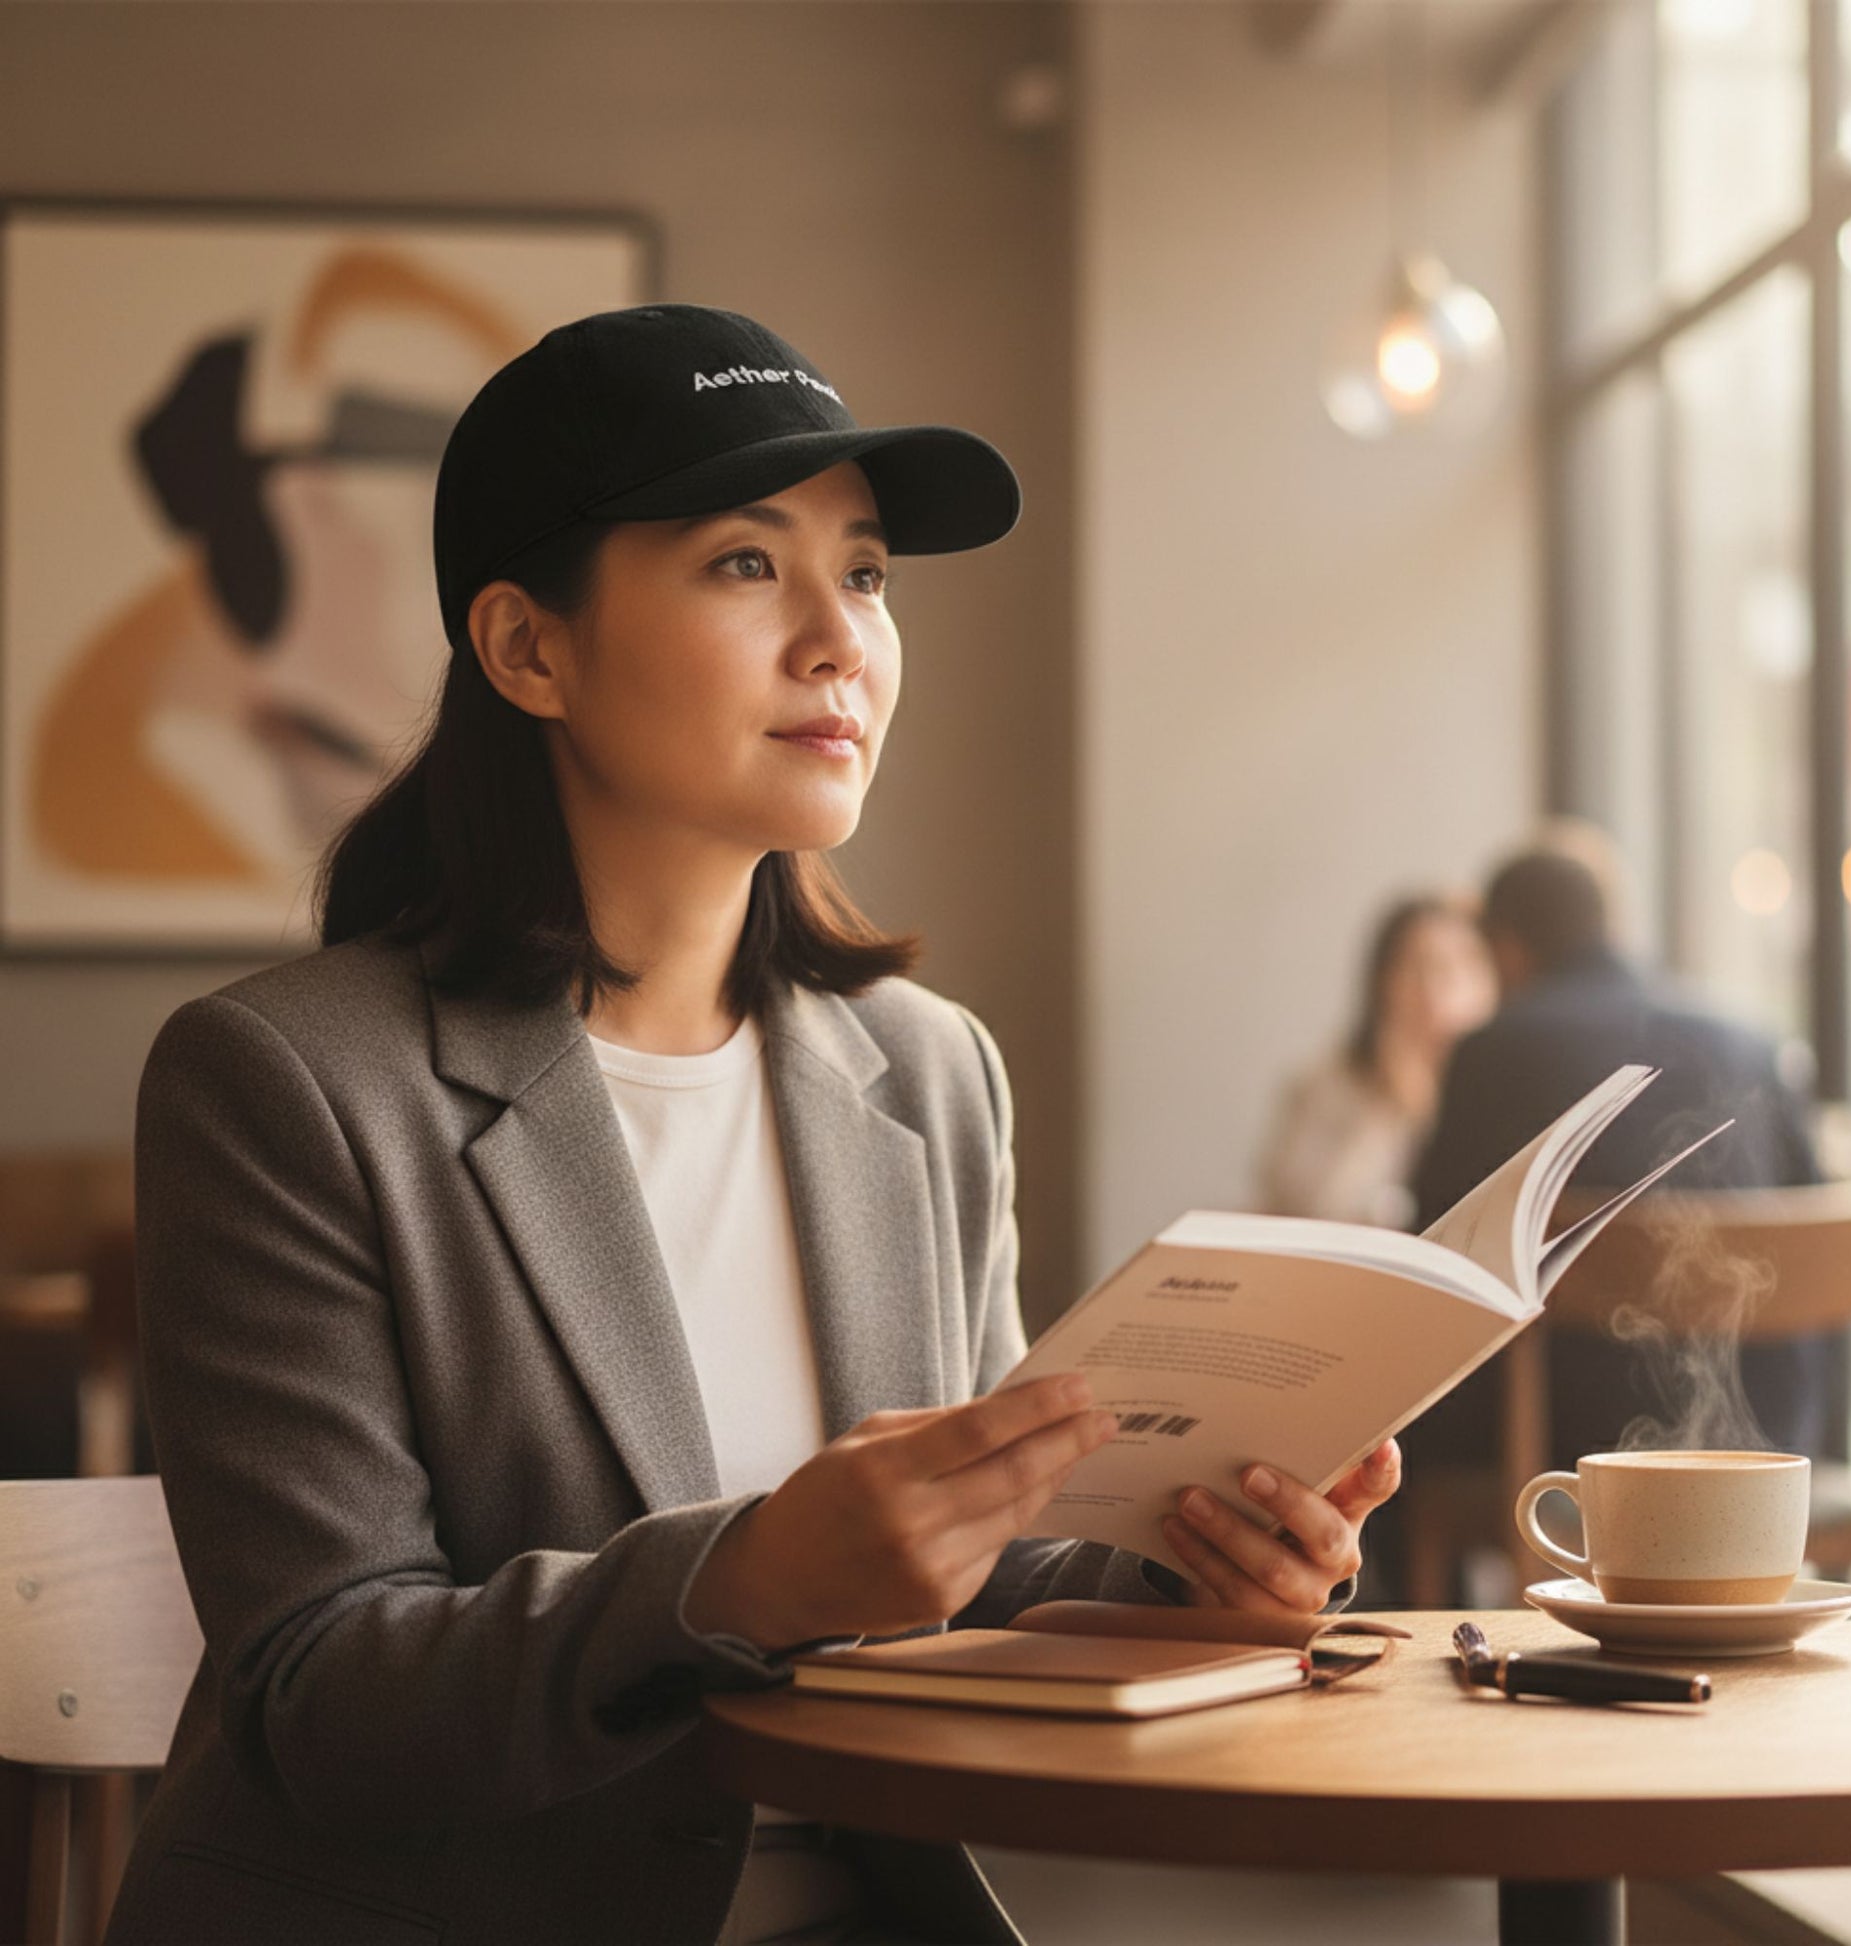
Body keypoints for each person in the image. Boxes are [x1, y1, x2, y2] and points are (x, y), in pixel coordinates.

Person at [106, 305, 1402, 1946]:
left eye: (862, 572)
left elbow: (980, 1577)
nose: (837, 639)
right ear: (527, 650)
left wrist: (1193, 1566)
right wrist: (737, 1580)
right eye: (743, 564)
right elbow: (322, 1695)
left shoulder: (927, 1073)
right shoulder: (283, 1084)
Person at [1409, 840, 1829, 1474]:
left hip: (1565, 1445)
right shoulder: (1750, 1040)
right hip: (1767, 1433)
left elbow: (1436, 1255)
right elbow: (1822, 1237)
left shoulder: (1495, 1052)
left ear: (1506, 948)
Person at [1259, 894, 1494, 1227]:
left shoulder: (1495, 1092)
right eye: (1418, 968)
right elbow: (1314, 1211)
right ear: (1383, 982)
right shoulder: (1328, 1085)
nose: (1436, 991)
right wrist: (1392, 1112)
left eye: (1459, 966)